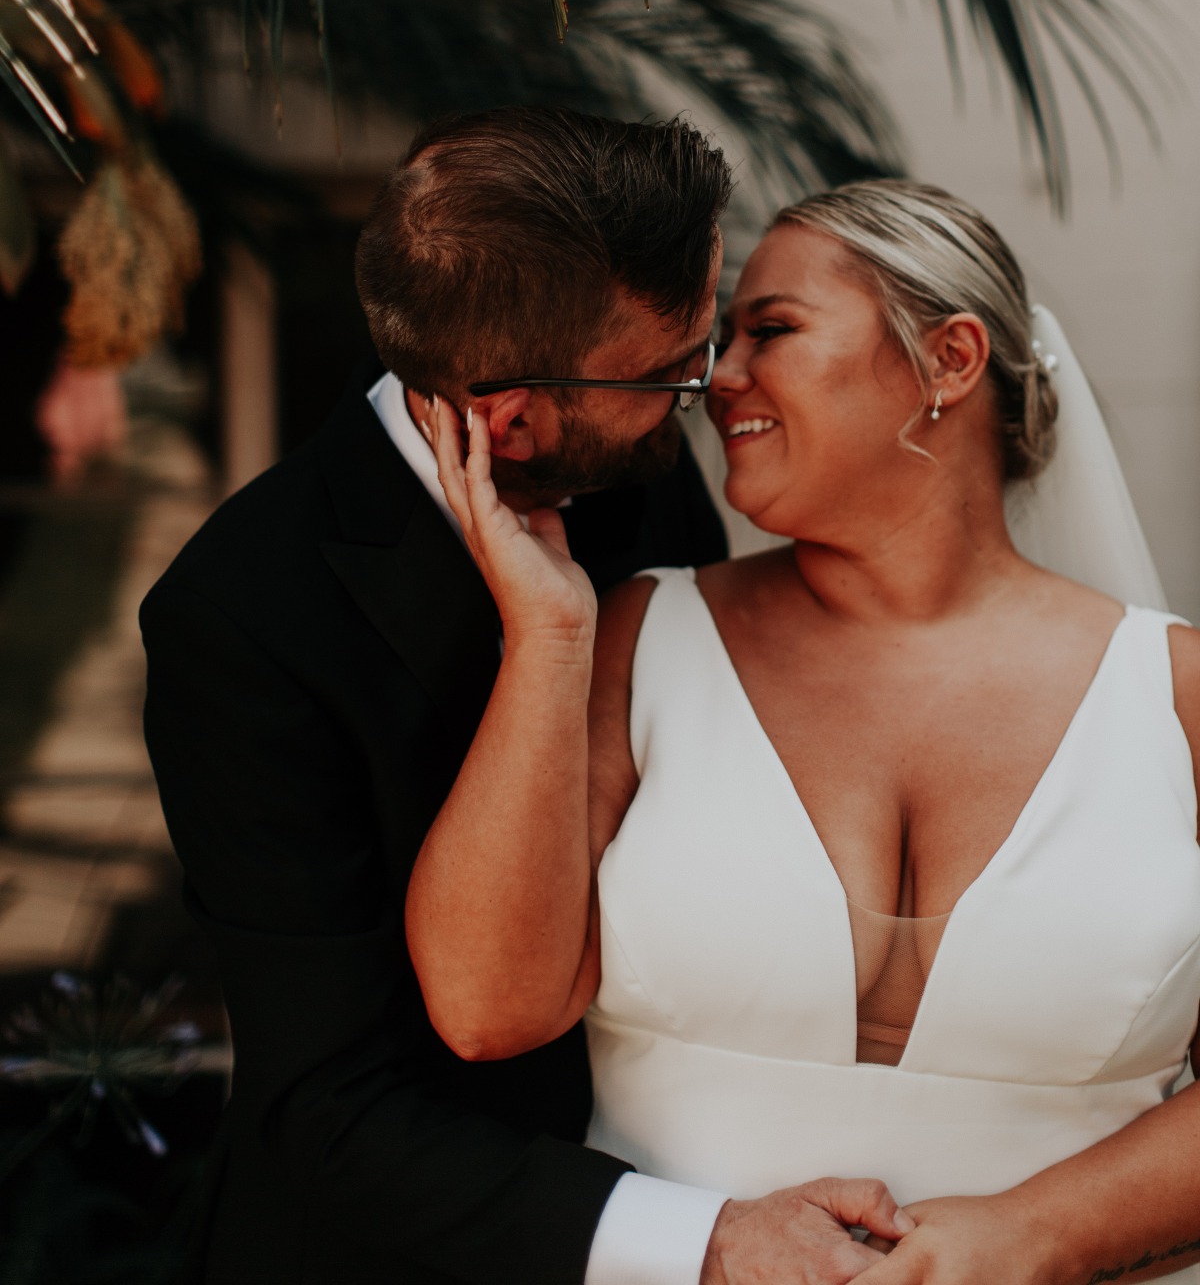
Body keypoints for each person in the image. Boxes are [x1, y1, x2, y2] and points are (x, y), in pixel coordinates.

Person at [141, 110, 910, 1285]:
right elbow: (332, 1112)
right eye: (672, 369)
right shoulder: (244, 617)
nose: (708, 388)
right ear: (512, 419)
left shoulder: (626, 465)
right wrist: (701, 1239)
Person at [407, 179, 1200, 1285]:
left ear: (951, 361)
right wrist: (546, 636)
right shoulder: (640, 638)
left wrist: (1037, 1230)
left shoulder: (1176, 694)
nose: (715, 378)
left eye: (769, 330)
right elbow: (488, 1008)